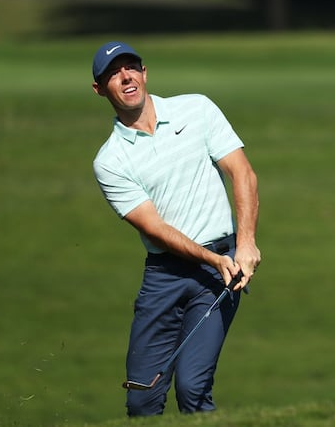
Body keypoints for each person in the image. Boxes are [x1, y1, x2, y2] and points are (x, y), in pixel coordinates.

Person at [90, 41, 261, 416]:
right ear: (100, 89)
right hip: (165, 276)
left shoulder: (196, 108)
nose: (125, 76)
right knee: (142, 399)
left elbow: (242, 173)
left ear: (144, 72)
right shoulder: (110, 161)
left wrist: (244, 244)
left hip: (220, 268)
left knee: (192, 387)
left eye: (130, 66)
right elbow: (155, 229)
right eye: (113, 74)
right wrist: (213, 259)